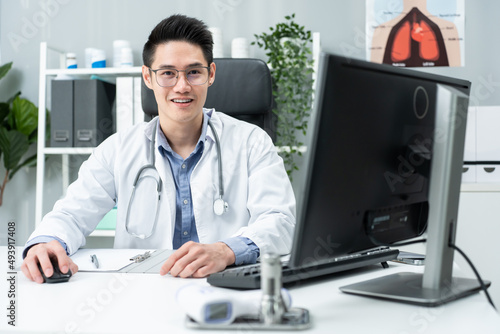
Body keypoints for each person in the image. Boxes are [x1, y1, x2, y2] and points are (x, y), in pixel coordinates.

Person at [21, 14, 295, 284]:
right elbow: (71, 214)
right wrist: (47, 243)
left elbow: (279, 221)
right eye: (167, 73)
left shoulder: (252, 142)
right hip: (141, 291)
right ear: (148, 77)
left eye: (194, 72)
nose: (182, 86)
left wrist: (226, 250)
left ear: (210, 74)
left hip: (226, 286)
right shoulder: (118, 149)